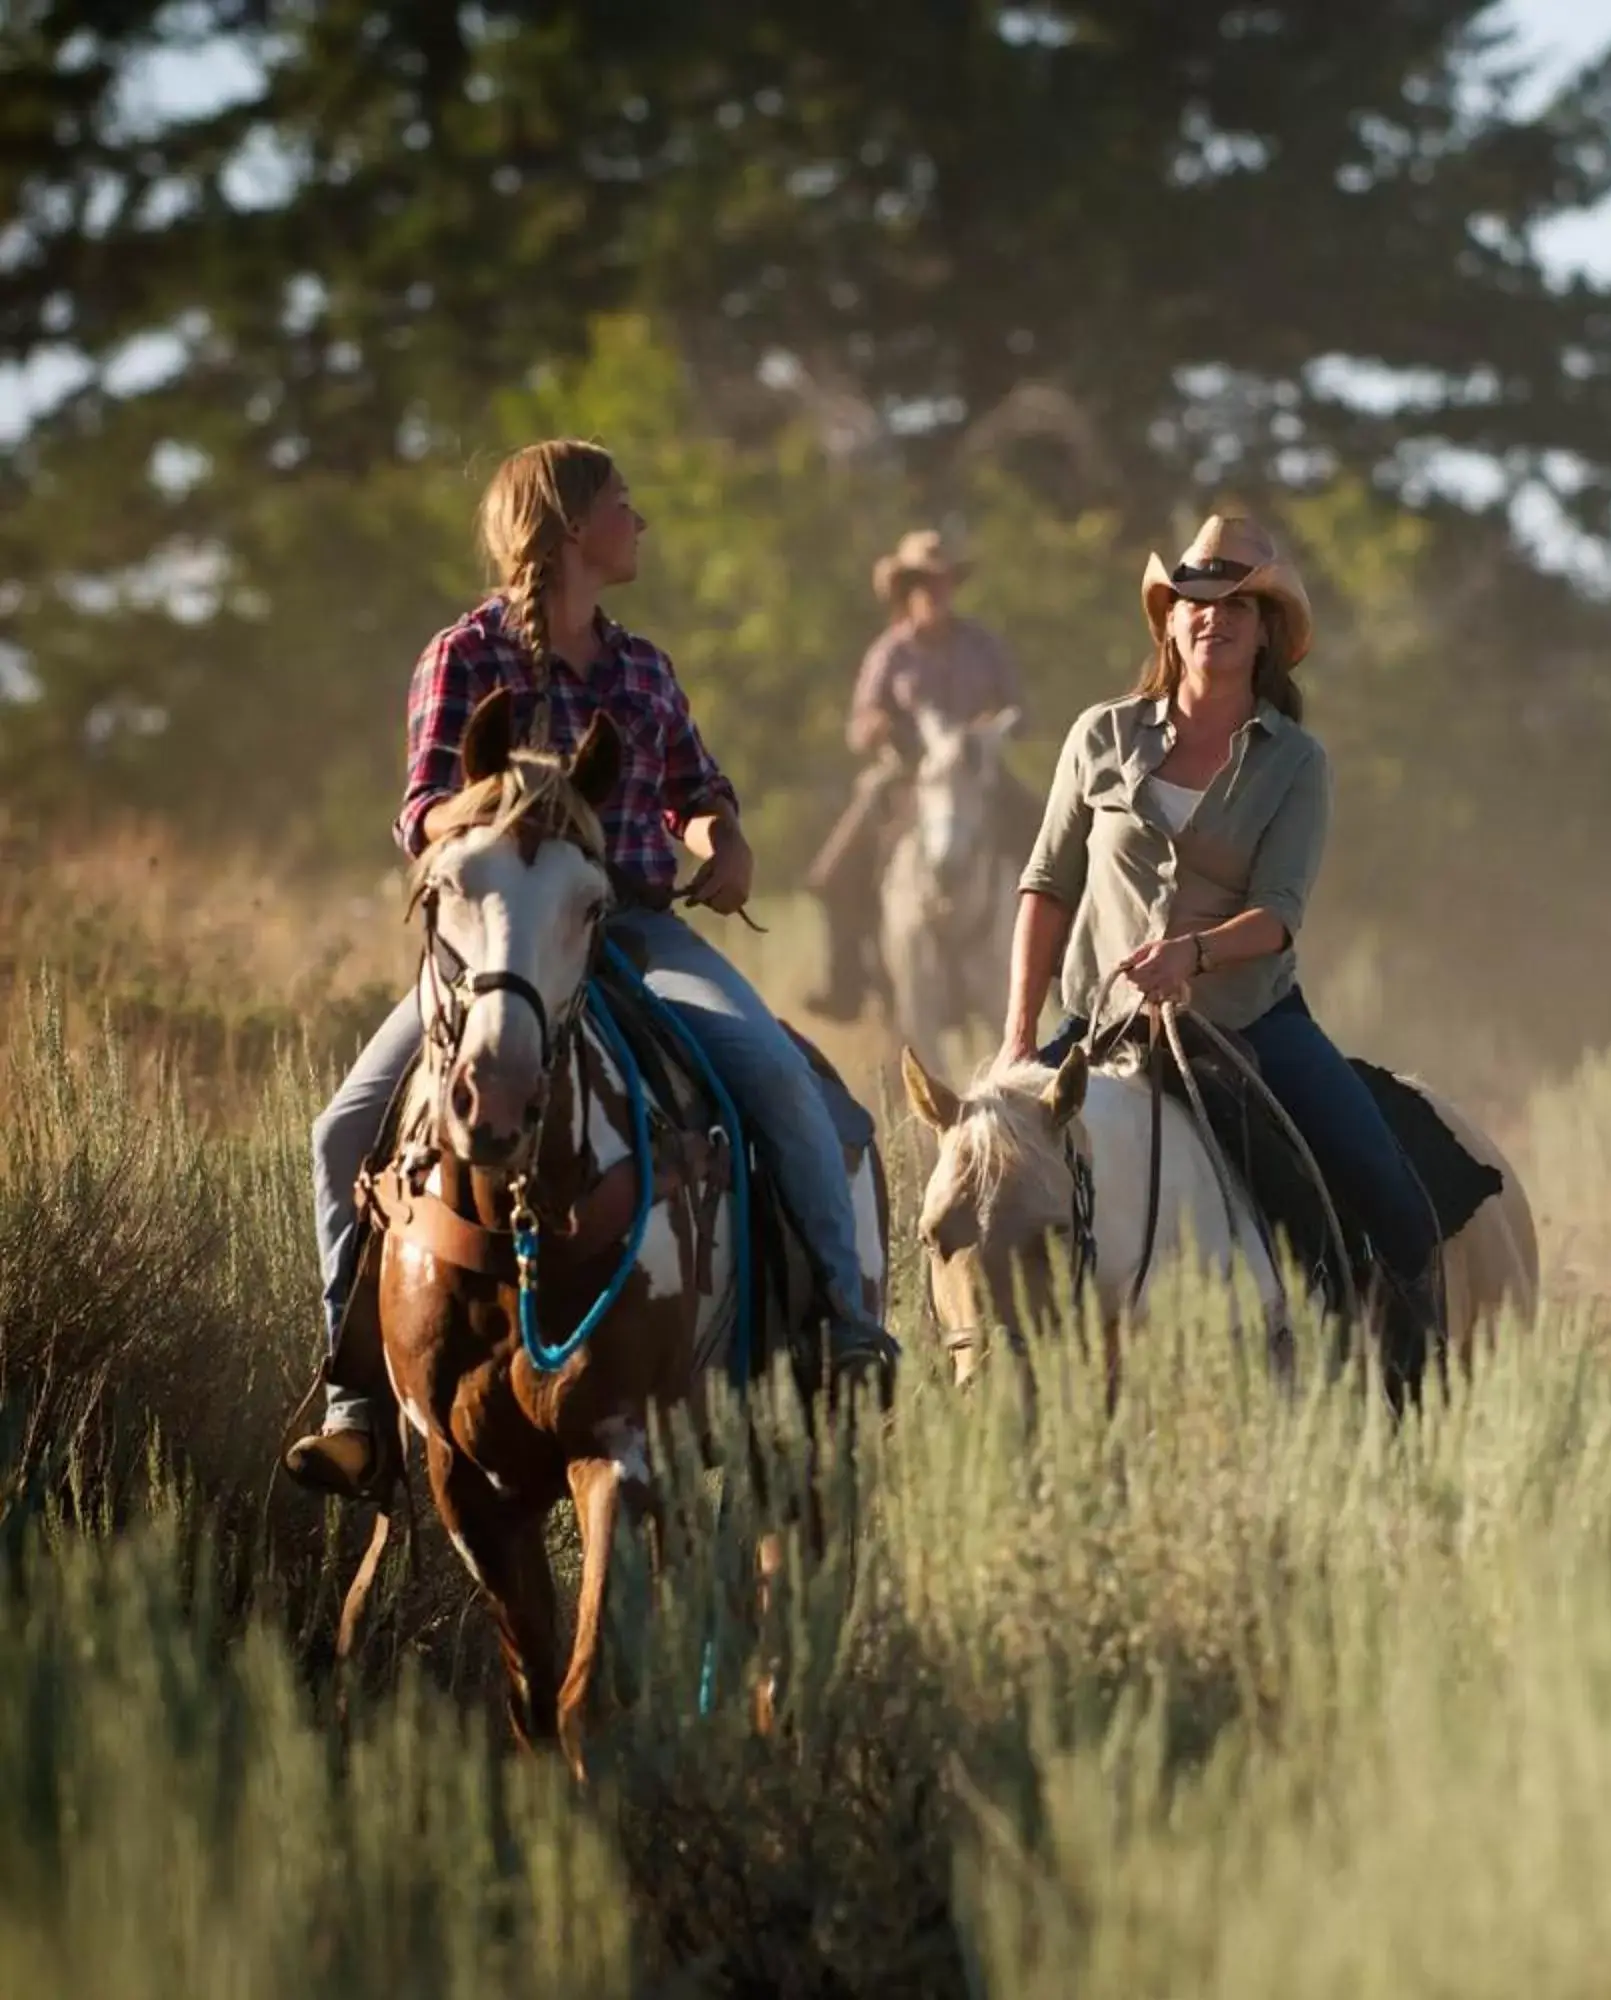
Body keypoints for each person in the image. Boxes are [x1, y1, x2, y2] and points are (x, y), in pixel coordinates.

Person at [282, 441, 899, 1500]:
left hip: (635, 933)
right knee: (343, 1128)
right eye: (624, 505)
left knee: (784, 1081)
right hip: (500, 949)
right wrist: (508, 817)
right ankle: (355, 1397)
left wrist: (724, 839)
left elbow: (699, 790)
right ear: (572, 530)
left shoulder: (643, 667)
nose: (640, 522)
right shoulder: (465, 655)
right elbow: (422, 808)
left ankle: (843, 1327)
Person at [1000, 514, 1443, 1372]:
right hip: (1103, 1022)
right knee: (993, 1181)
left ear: (1267, 632)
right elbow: (1047, 885)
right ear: (1169, 619)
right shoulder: (1101, 734)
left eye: (1241, 603)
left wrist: (1193, 956)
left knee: (1389, 1195)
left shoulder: (1296, 762)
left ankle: (1401, 1388)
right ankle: (978, 1373)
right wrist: (1020, 1037)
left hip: (1249, 1020)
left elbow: (1279, 912)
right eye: (1197, 600)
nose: (1217, 616)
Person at [803, 529, 1026, 1021]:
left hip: (976, 770)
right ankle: (847, 985)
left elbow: (1018, 708)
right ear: (907, 590)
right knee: (834, 872)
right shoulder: (890, 652)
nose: (936, 591)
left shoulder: (982, 644)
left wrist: (995, 726)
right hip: (903, 777)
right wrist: (875, 726)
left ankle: (1060, 972)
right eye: (925, 582)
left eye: (943, 581)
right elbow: (858, 726)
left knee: (1055, 846)